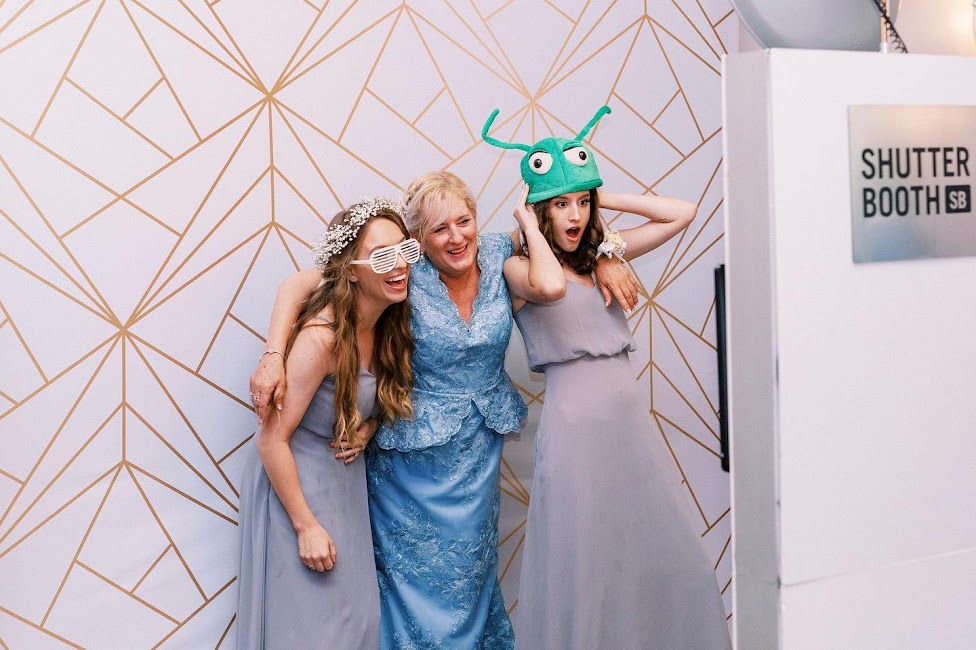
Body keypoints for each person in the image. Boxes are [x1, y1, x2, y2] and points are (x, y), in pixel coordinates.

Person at [250, 170, 627, 648]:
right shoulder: (401, 272)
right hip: (410, 469)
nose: (456, 237)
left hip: (478, 456)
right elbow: (301, 284)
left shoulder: (495, 252)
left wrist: (604, 256)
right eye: (438, 229)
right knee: (408, 589)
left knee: (470, 579)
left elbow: (557, 264)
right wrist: (273, 353)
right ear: (418, 238)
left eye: (464, 221)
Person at [484, 106, 732, 649]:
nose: (573, 214)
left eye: (580, 202)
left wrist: (602, 207)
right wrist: (529, 223)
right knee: (587, 566)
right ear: (539, 210)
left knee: (659, 557)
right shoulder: (517, 268)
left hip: (629, 427)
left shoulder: (602, 253)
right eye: (560, 204)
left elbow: (681, 213)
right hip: (575, 431)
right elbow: (551, 287)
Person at [236, 198, 416, 649]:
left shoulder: (387, 320)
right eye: (381, 256)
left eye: (405, 249)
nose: (399, 265)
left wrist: (370, 428)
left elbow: (371, 397)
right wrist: (306, 527)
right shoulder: (322, 338)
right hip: (298, 484)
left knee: (356, 620)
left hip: (343, 482)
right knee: (315, 628)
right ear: (351, 270)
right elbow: (271, 440)